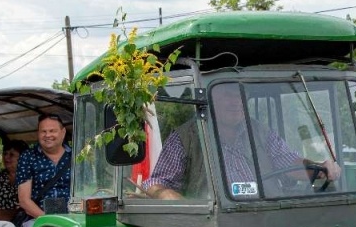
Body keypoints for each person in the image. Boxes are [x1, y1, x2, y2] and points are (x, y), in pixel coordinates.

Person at [145, 84, 339, 200]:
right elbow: (156, 183)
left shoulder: (260, 131)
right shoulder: (186, 137)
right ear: (209, 98)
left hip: (268, 215)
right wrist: (165, 194)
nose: (236, 101)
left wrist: (319, 168)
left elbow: (289, 163)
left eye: (239, 95)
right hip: (218, 225)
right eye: (228, 95)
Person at [15, 115, 71, 227]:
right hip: (37, 219)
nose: (47, 135)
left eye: (52, 131)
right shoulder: (28, 157)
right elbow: (24, 200)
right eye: (43, 131)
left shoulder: (76, 156)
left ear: (63, 132)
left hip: (73, 218)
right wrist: (48, 221)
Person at [0, 141, 22, 215]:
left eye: (11, 154)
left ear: (22, 157)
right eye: (5, 154)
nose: (6, 157)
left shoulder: (29, 176)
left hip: (24, 219)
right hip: (1, 219)